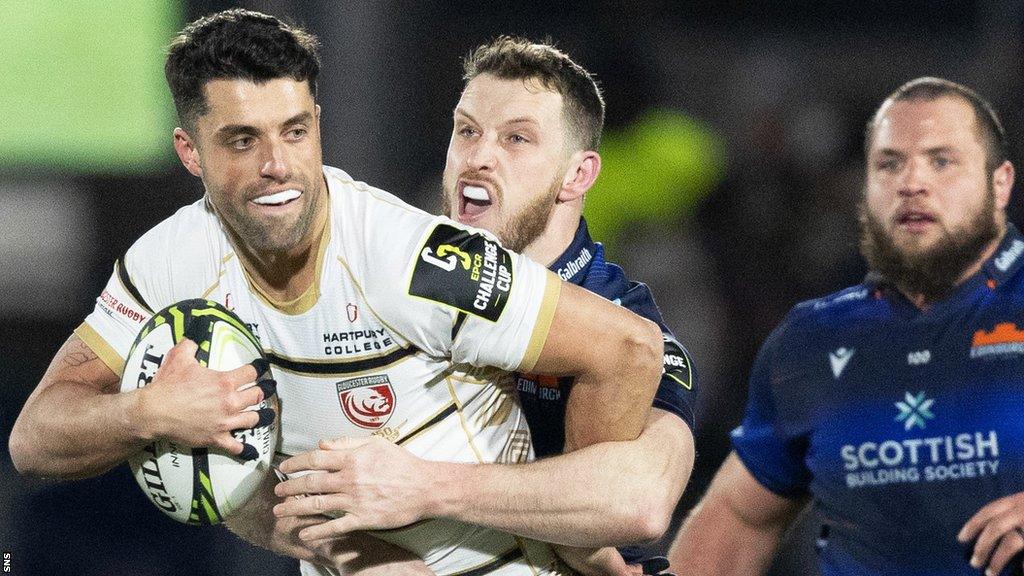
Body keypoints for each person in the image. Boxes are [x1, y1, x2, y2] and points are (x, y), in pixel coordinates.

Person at [8, 10, 666, 576]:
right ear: (190, 151)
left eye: (295, 131)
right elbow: (35, 439)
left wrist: (580, 541)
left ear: (318, 122)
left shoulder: (410, 259)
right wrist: (149, 413)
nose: (277, 165)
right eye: (242, 140)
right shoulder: (167, 263)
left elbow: (629, 347)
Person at [271, 37, 697, 575]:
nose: (477, 157)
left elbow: (637, 501)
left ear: (578, 175)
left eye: (516, 139)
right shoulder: (387, 274)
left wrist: (424, 488)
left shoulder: (626, 326)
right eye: (467, 131)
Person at [667, 76, 1024, 576]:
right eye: (889, 164)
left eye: (942, 161)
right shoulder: (814, 338)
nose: (912, 182)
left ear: (1000, 182)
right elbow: (741, 518)